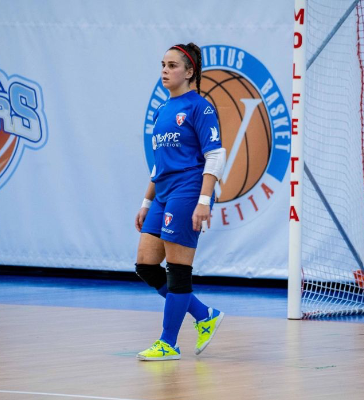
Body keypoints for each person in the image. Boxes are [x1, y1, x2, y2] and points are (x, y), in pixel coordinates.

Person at [134, 42, 226, 361]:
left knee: (177, 269)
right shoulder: (162, 110)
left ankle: (168, 343)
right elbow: (159, 165)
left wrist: (203, 200)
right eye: (163, 65)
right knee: (146, 265)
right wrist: (146, 203)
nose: (165, 70)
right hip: (162, 193)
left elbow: (215, 155)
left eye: (172, 66)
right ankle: (204, 315)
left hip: (187, 192)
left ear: (189, 72)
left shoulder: (200, 107)